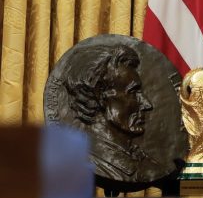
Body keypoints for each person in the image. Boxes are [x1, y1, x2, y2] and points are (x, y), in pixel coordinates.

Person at [65, 44, 161, 182]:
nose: (147, 104)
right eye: (133, 92)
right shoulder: (82, 159)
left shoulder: (144, 162)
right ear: (101, 96)